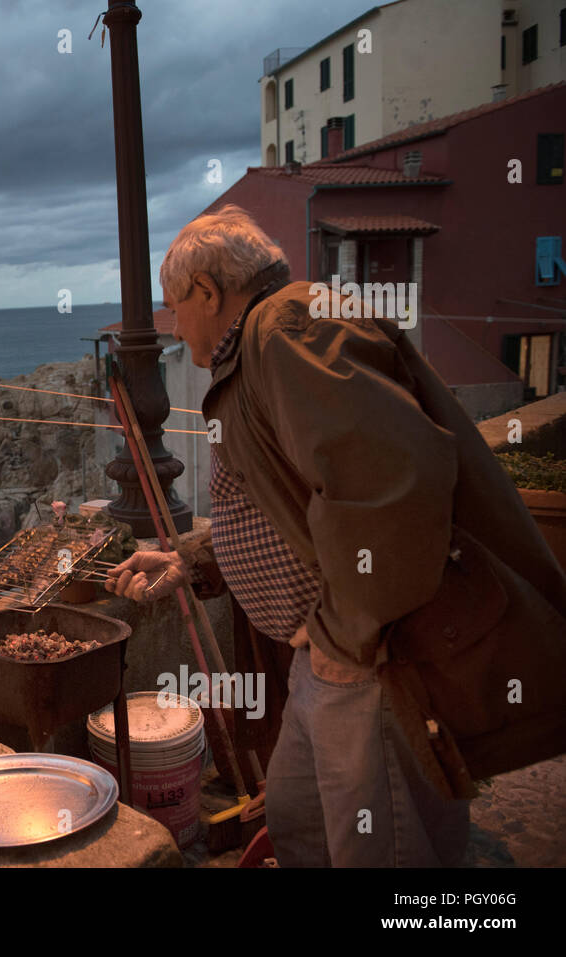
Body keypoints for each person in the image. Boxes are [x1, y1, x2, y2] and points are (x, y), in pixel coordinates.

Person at [106, 205, 566, 867]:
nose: (172, 323)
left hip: (368, 658)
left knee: (379, 850)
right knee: (300, 825)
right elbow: (281, 509)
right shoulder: (264, 345)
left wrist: (348, 637)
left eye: (174, 306)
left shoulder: (288, 327)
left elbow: (388, 483)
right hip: (329, 657)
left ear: (208, 291)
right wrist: (190, 558)